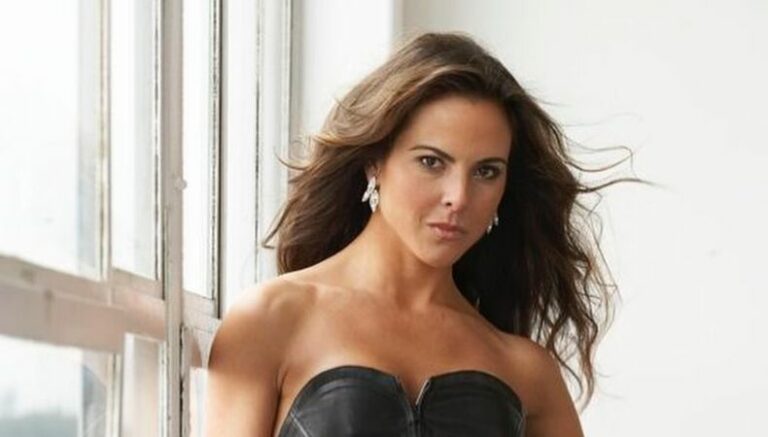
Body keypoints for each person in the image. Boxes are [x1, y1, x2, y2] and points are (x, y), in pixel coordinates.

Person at [204, 31, 628, 437]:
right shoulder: (272, 321)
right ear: (375, 162)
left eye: (486, 171)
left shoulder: (525, 371)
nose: (458, 197)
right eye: (431, 162)